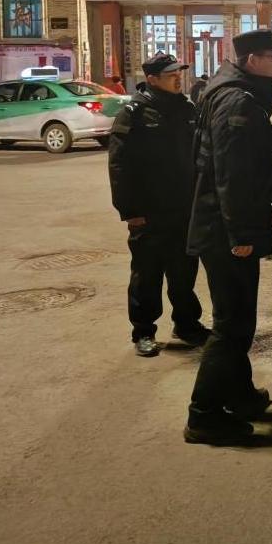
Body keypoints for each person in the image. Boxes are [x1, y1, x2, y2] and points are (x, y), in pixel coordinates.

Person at [184, 29, 272, 446]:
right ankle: (203, 416)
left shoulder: (231, 93)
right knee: (232, 326)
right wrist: (239, 235)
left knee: (236, 319)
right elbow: (232, 177)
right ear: (252, 60)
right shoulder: (238, 101)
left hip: (221, 224)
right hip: (225, 230)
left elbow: (248, 162)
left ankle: (240, 396)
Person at [107, 53, 208, 357]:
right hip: (148, 211)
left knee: (184, 272)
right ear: (152, 79)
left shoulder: (187, 109)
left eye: (179, 74)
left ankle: (187, 325)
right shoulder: (134, 113)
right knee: (147, 274)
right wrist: (130, 210)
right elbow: (119, 165)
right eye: (171, 75)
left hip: (184, 208)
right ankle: (143, 332)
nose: (178, 79)